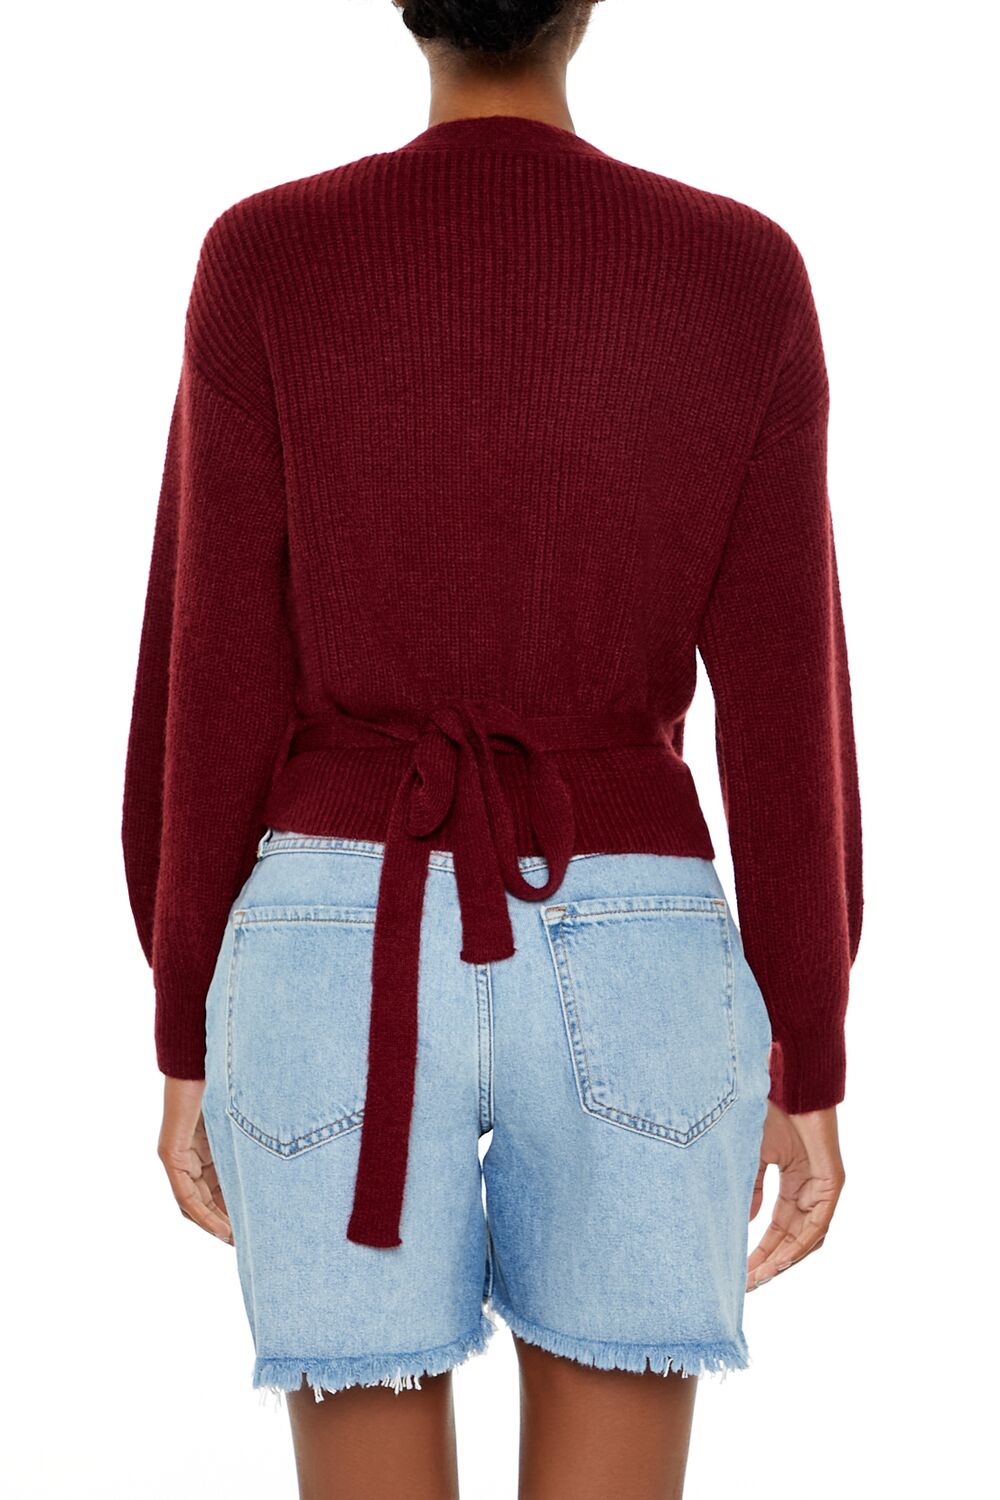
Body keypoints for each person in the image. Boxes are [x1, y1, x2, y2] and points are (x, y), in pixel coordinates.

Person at [121, 1, 864, 1494]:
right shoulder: (741, 273)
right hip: (639, 945)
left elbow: (211, 684)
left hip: (335, 941)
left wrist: (185, 1015)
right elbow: (790, 707)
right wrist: (811, 1039)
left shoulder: (268, 257)